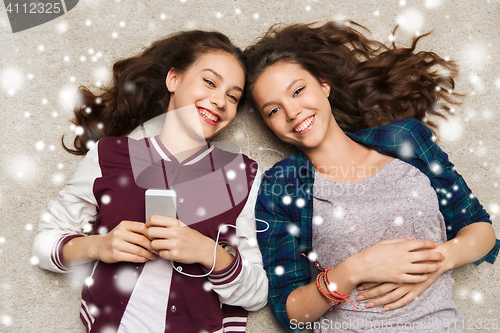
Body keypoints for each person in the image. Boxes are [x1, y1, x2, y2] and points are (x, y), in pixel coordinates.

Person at [244, 21, 499, 332]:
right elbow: (290, 314)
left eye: (298, 91)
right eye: (273, 110)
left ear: (324, 86)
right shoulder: (282, 184)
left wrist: (440, 260)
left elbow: (479, 229)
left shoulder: (406, 139)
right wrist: (355, 269)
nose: (293, 111)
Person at [32, 30, 268, 333]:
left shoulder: (242, 174)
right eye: (209, 82)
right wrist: (99, 246)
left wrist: (206, 252)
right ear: (173, 79)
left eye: (233, 96)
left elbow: (258, 295)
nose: (220, 101)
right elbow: (43, 246)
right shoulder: (109, 156)